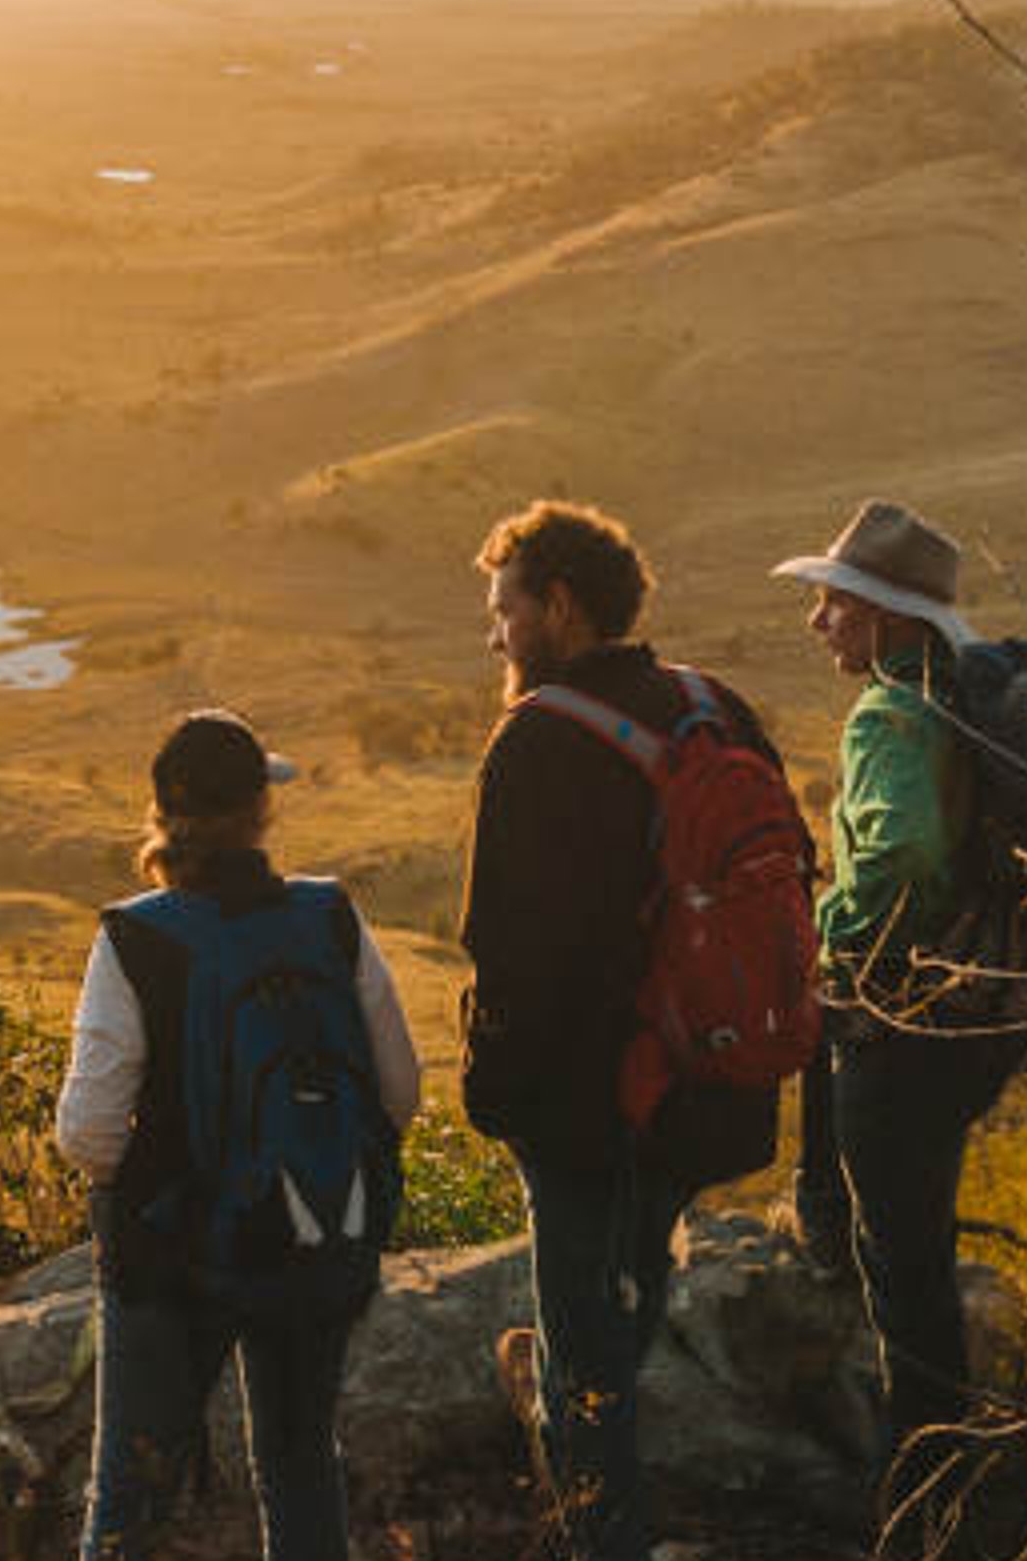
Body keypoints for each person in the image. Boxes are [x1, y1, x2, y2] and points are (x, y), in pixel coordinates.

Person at [457, 501, 777, 1561]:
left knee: (583, 1349)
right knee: (619, 1302)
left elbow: (501, 946)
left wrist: (493, 1094)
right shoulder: (713, 706)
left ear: (557, 606)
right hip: (711, 1085)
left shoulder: (538, 736)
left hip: (587, 1104)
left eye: (504, 609)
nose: (494, 634)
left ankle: (601, 1532)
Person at [56, 709, 422, 1561]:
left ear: (161, 818)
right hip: (307, 1232)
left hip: (168, 1258)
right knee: (299, 1466)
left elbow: (90, 1137)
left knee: (132, 1490)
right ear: (263, 808)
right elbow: (397, 1094)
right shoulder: (330, 917)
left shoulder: (136, 939)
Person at [773, 499, 1027, 1480]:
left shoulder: (890, 711)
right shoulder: (964, 696)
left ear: (886, 617)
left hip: (905, 1022)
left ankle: (922, 1487)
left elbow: (905, 854)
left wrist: (827, 945)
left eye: (835, 603)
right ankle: (950, 1467)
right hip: (976, 1014)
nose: (817, 622)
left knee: (902, 1270)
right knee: (917, 1243)